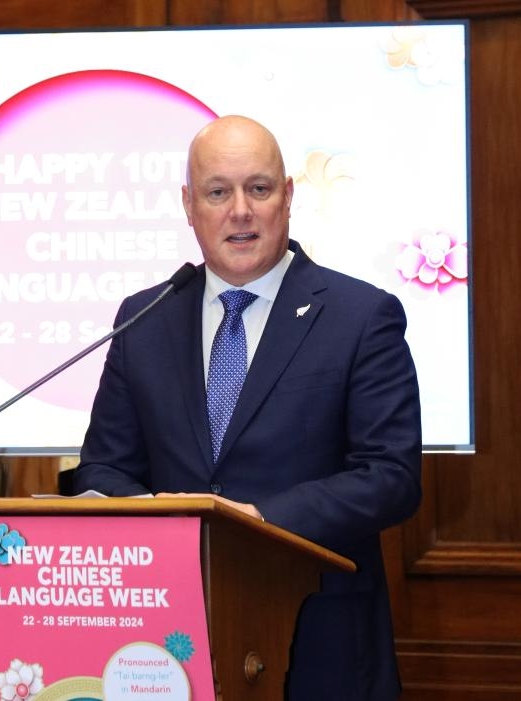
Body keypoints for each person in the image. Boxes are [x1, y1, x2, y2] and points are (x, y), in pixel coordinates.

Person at [74, 115, 422, 700]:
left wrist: (257, 519)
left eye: (258, 189)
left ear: (287, 196)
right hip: (166, 643)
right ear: (189, 206)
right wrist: (165, 517)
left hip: (319, 639)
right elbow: (104, 468)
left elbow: (391, 477)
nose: (240, 211)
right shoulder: (145, 318)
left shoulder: (361, 316)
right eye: (218, 192)